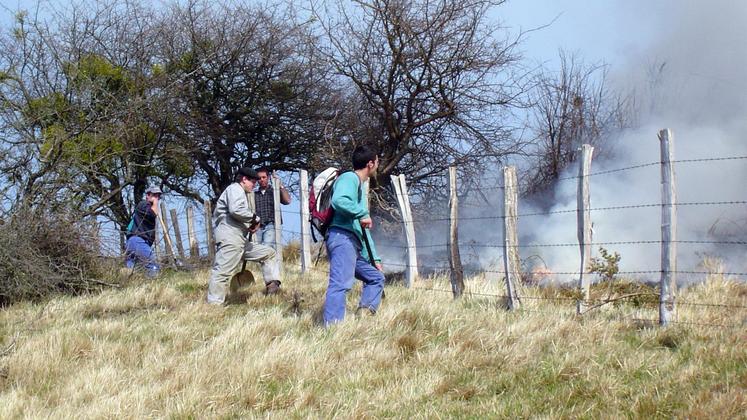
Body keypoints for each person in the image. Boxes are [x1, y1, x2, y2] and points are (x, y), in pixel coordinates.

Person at [322, 145, 385, 326]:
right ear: (370, 163)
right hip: (342, 238)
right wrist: (362, 213)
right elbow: (339, 200)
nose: (378, 165)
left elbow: (361, 229)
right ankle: (332, 329)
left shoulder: (358, 185)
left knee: (376, 278)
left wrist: (375, 259)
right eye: (377, 161)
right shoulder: (350, 178)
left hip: (352, 243)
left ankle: (363, 316)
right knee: (340, 284)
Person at [206, 167, 282, 305]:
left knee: (269, 253)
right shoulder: (235, 189)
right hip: (230, 239)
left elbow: (236, 215)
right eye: (253, 181)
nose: (255, 185)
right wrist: (254, 218)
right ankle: (213, 305)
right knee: (222, 272)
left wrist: (249, 225)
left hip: (240, 240)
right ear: (244, 179)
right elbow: (236, 210)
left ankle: (272, 287)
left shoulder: (241, 192)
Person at [254, 167, 291, 258]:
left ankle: (270, 269)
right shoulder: (254, 194)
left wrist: (280, 184)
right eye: (259, 178)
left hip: (271, 225)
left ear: (268, 177)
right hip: (257, 226)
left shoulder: (274, 191)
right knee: (257, 250)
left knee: (267, 248)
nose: (261, 180)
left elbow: (287, 201)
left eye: (264, 177)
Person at [124, 186, 162, 277]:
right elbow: (152, 214)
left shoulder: (148, 206)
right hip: (137, 241)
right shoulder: (143, 204)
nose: (156, 198)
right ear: (148, 195)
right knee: (152, 265)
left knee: (132, 271)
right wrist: (156, 203)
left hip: (134, 242)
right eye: (154, 195)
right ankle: (153, 287)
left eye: (158, 196)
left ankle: (129, 287)